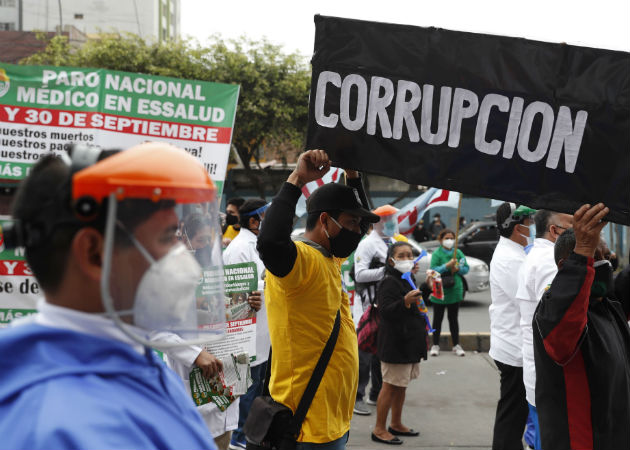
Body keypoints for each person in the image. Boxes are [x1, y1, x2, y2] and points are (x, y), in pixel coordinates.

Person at [0, 143, 218, 449]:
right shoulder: (63, 431)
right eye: (167, 237)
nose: (186, 264)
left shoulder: (133, 362)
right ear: (94, 253)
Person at [257, 149, 379, 448]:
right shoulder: (302, 262)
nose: (357, 231)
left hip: (334, 419)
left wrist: (353, 176)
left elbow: (364, 223)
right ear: (325, 221)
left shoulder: (331, 257)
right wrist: (296, 179)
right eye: (350, 223)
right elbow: (271, 242)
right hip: (307, 426)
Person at [533, 203, 630, 450]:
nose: (605, 266)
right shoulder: (553, 313)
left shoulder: (607, 303)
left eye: (608, 259)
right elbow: (564, 327)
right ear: (569, 265)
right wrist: (584, 247)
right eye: (595, 259)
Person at [166, 211, 262, 450]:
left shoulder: (221, 274)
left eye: (213, 240)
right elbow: (154, 331)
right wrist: (194, 354)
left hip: (227, 384)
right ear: (183, 239)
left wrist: (250, 305)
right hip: (191, 388)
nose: (208, 247)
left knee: (222, 440)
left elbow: (230, 317)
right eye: (201, 241)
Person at [515, 209, 573, 449]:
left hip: (539, 368)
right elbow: (556, 318)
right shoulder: (549, 261)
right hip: (548, 371)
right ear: (555, 230)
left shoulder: (536, 255)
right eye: (571, 223)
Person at [223, 199, 270, 450]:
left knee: (255, 388)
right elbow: (236, 294)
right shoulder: (240, 248)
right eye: (267, 216)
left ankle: (247, 435)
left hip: (261, 334)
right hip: (245, 335)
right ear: (254, 221)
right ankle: (238, 438)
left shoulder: (257, 245)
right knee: (244, 389)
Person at [488, 203, 536, 450]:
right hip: (514, 348)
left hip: (511, 344)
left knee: (513, 410)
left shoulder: (515, 253)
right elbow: (529, 301)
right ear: (519, 227)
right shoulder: (511, 259)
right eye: (531, 223)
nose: (533, 227)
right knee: (512, 412)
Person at [371, 242, 427, 445]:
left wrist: (427, 287)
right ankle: (379, 428)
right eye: (402, 255)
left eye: (410, 255)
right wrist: (404, 301)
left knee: (401, 386)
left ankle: (396, 423)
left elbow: (417, 304)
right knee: (389, 386)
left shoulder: (407, 278)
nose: (407, 259)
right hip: (395, 344)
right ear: (391, 260)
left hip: (408, 343)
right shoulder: (389, 282)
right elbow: (385, 311)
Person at [353, 204, 405, 415]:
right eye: (389, 218)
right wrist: (387, 270)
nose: (393, 221)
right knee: (365, 352)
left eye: (394, 217)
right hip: (368, 306)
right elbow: (359, 275)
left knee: (380, 352)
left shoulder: (392, 242)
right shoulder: (367, 245)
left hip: (386, 304)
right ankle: (357, 396)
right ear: (378, 222)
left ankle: (376, 393)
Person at [429, 229, 469, 357]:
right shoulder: (437, 254)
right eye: (446, 238)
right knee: (437, 319)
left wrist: (458, 268)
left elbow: (465, 269)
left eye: (452, 238)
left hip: (454, 289)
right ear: (440, 240)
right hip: (439, 289)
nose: (449, 240)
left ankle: (456, 345)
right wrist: (446, 265)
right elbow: (433, 270)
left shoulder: (458, 252)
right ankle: (435, 344)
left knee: (453, 319)